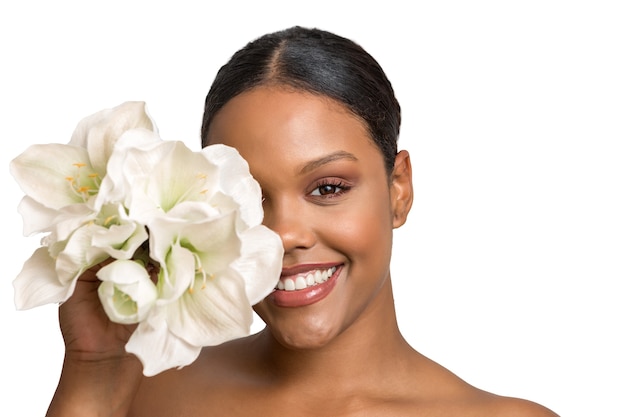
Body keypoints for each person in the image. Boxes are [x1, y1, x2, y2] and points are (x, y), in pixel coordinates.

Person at [47, 26, 559, 416]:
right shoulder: (143, 393)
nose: (284, 234)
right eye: (249, 198)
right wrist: (92, 370)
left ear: (398, 189)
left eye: (328, 188)